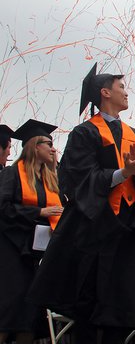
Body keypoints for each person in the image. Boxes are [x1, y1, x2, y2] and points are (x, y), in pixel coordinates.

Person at [28, 64, 135, 344]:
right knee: (88, 307)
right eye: (121, 87)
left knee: (120, 310)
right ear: (105, 92)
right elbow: (78, 180)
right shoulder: (84, 133)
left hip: (127, 232)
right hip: (95, 229)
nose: (126, 92)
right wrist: (124, 172)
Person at [0, 120, 61, 344]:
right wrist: (39, 211)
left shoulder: (48, 179)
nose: (53, 149)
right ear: (35, 146)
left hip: (36, 255)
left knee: (30, 316)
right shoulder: (12, 174)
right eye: (48, 144)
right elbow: (3, 207)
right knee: (8, 312)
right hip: (11, 252)